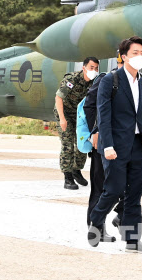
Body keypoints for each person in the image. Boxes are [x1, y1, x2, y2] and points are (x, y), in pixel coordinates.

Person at [88, 36, 142, 254]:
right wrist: (106, 145)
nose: (139, 57)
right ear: (124, 56)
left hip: (137, 145)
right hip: (115, 145)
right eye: (135, 53)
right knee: (114, 190)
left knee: (135, 194)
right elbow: (103, 115)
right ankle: (96, 220)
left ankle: (133, 241)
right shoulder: (111, 80)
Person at [84, 52, 124, 239]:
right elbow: (89, 106)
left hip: (125, 143)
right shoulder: (107, 80)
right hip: (104, 142)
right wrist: (96, 131)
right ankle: (96, 228)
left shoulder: (140, 82)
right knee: (101, 186)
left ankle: (122, 219)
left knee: (128, 185)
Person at [55, 57, 99, 190]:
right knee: (68, 144)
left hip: (80, 116)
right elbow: (59, 98)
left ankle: (76, 170)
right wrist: (62, 119)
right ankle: (67, 177)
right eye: (91, 68)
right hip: (66, 113)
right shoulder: (72, 80)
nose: (94, 71)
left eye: (96, 68)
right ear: (84, 68)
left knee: (82, 142)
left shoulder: (94, 82)